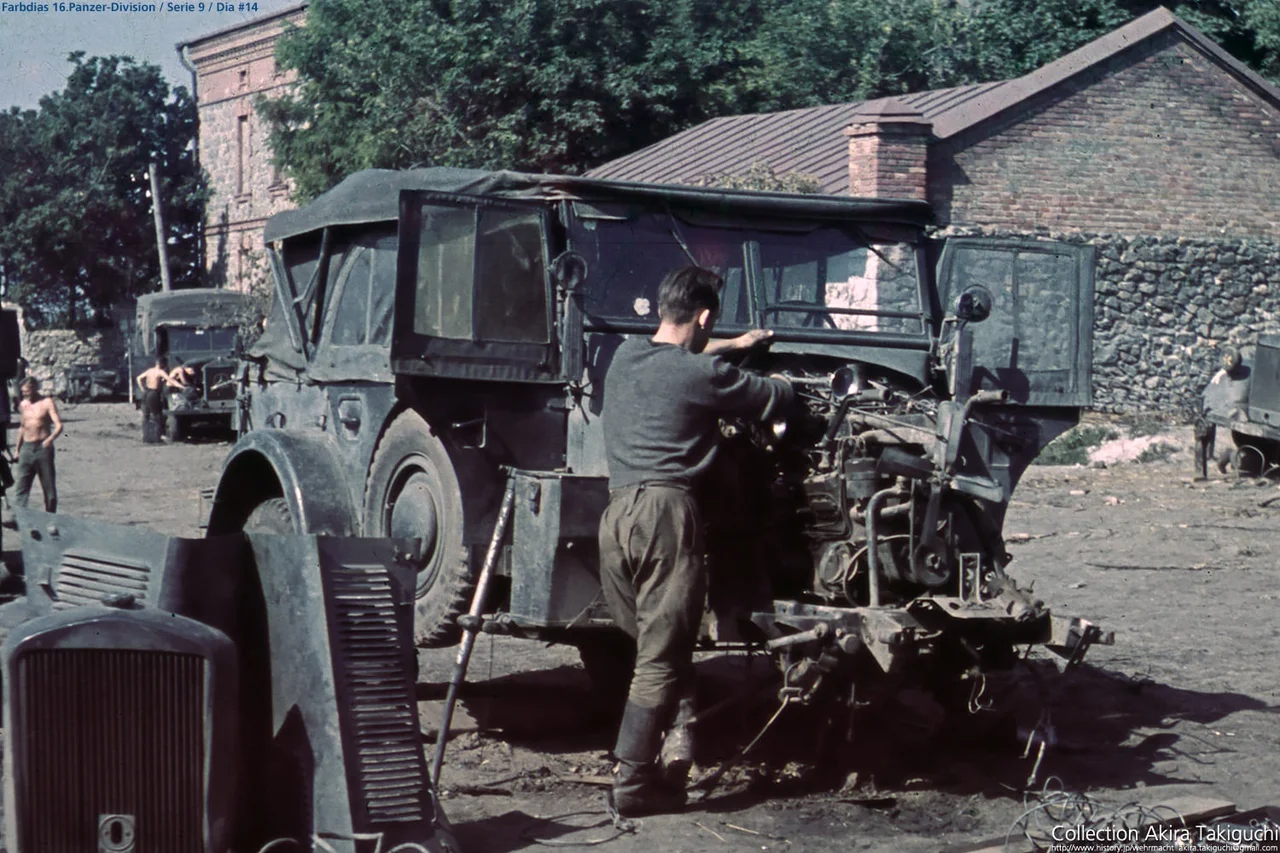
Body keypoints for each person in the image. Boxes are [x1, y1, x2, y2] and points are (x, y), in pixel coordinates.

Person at [598, 265, 792, 817]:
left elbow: (683, 358)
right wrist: (789, 386)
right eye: (712, 326)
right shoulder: (703, 377)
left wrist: (734, 343)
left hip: (617, 516)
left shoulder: (624, 360)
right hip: (666, 515)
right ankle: (632, 785)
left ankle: (676, 744)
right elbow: (770, 399)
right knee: (660, 657)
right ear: (704, 316)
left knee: (654, 642)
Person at [13, 376, 62, 513]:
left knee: (49, 489)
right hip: (26, 449)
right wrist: (17, 450)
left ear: (35, 388)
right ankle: (20, 516)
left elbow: (59, 426)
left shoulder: (47, 403)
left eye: (27, 391)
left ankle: (51, 517)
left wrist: (50, 439)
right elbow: (22, 427)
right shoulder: (23, 405)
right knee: (21, 488)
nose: (25, 394)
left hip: (43, 449)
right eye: (23, 392)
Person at [136, 356, 169, 442]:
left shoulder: (149, 371)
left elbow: (138, 378)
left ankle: (145, 436)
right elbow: (169, 380)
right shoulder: (160, 372)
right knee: (157, 415)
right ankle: (159, 435)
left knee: (146, 415)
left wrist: (142, 388)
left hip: (146, 393)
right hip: (154, 394)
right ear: (162, 364)